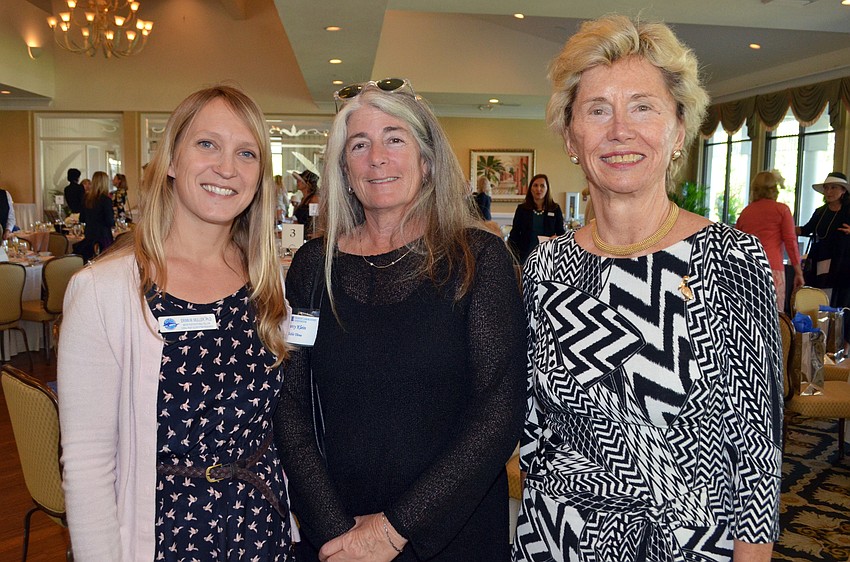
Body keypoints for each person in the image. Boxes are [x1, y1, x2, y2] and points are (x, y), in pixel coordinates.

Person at [513, 15, 782, 562]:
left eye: (643, 106)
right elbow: (530, 434)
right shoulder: (545, 268)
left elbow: (758, 459)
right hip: (554, 542)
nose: (619, 131)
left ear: (678, 130)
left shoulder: (729, 261)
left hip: (687, 546)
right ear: (570, 136)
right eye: (597, 110)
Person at [274, 78, 526, 562]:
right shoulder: (312, 265)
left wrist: (392, 531)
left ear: (426, 161)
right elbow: (291, 405)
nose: (377, 158)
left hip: (451, 536)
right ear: (344, 169)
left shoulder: (480, 258)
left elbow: (499, 410)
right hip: (336, 537)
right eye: (359, 145)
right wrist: (335, 531)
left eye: (394, 138)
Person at [58, 85, 294, 561]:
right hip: (164, 537)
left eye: (246, 152)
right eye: (207, 144)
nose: (226, 168)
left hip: (261, 528)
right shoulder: (105, 292)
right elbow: (87, 466)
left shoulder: (271, 285)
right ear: (170, 160)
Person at [736, 170, 804, 312]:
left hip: (748, 268)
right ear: (774, 189)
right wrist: (798, 272)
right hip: (773, 268)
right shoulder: (782, 210)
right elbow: (791, 242)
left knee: (750, 312)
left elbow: (737, 242)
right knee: (774, 314)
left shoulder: (746, 212)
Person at [796, 171, 850, 345]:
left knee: (842, 300)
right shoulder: (820, 212)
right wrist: (783, 226)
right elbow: (806, 230)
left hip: (843, 263)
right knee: (821, 298)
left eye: (833, 187)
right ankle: (824, 339)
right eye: (827, 187)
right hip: (820, 261)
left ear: (843, 191)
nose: (829, 191)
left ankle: (842, 342)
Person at [507, 173, 565, 264]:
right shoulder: (522, 209)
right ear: (530, 189)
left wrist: (557, 238)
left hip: (547, 255)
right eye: (535, 185)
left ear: (547, 189)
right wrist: (509, 255)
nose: (538, 189)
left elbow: (561, 233)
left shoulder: (555, 209)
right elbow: (515, 233)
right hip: (525, 255)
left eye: (542, 186)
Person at [74, 171, 114, 261]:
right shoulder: (106, 200)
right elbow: (110, 221)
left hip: (89, 235)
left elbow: (82, 218)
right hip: (103, 236)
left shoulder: (87, 199)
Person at [292, 169, 319, 236]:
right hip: (300, 235)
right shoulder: (303, 199)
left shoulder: (314, 199)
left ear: (307, 183)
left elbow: (316, 220)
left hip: (308, 236)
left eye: (300, 180)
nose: (297, 182)